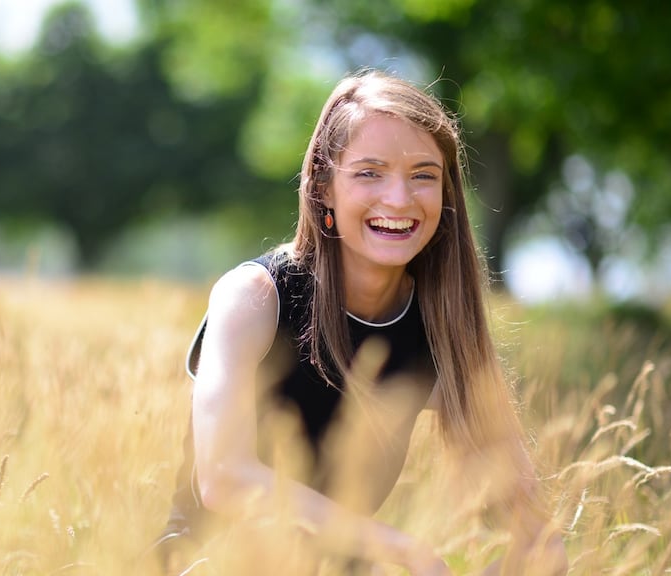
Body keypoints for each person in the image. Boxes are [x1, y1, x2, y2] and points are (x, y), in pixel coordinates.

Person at [154, 69, 568, 575]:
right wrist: (403, 551)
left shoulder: (443, 331)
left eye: (423, 175)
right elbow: (223, 478)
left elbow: (539, 538)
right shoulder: (257, 298)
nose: (398, 199)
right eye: (369, 172)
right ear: (323, 187)